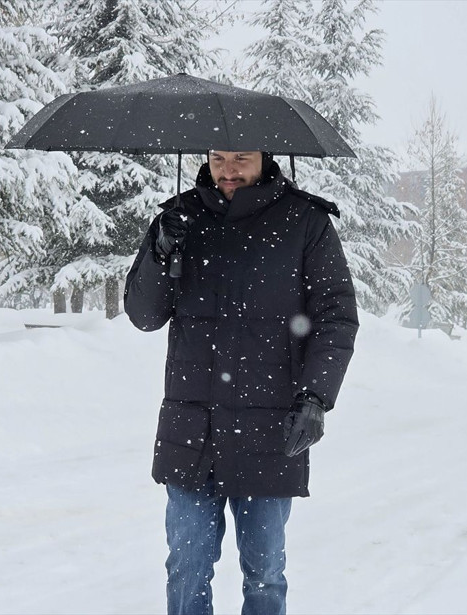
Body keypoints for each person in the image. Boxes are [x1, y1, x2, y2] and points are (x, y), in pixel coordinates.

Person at [123, 149, 359, 615]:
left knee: (265, 573)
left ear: (265, 159)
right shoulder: (179, 219)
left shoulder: (305, 223)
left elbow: (336, 317)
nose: (228, 171)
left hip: (270, 431)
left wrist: (315, 397)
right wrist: (160, 250)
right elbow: (143, 314)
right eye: (218, 159)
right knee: (187, 568)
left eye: (241, 159)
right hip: (192, 432)